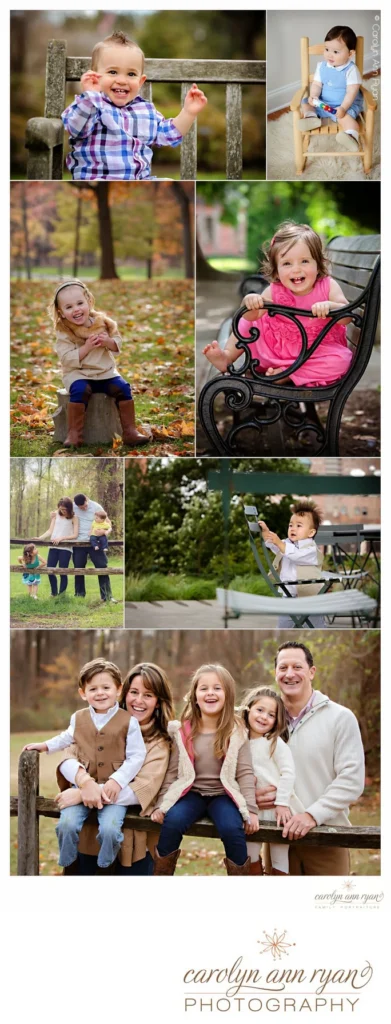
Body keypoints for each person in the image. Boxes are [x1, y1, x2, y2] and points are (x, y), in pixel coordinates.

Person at [22, 658, 146, 871]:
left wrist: (117, 781)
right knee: (66, 824)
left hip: (113, 791)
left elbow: (136, 756)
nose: (100, 693)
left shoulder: (129, 721)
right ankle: (68, 860)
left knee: (109, 830)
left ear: (118, 689)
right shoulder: (78, 718)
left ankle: (106, 862)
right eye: (93, 689)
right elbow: (66, 738)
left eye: (106, 687)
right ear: (83, 693)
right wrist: (45, 745)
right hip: (81, 786)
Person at [256, 641, 365, 875]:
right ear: (275, 673)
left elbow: (351, 780)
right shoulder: (263, 720)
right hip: (276, 836)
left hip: (326, 837)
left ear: (311, 672)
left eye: (297, 667)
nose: (290, 674)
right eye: (283, 668)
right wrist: (252, 795)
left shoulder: (340, 718)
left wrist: (311, 815)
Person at [55, 662, 175, 875]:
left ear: (158, 702)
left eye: (148, 695)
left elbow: (142, 790)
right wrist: (83, 782)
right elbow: (68, 757)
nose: (139, 701)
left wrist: (84, 795)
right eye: (134, 692)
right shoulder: (97, 725)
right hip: (88, 838)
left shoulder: (159, 744)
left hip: (133, 847)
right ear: (123, 692)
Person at [203, 222, 353, 387]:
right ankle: (227, 356)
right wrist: (250, 302)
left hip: (315, 354)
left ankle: (290, 374)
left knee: (342, 361)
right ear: (276, 271)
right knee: (250, 319)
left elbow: (347, 317)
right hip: (275, 353)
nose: (296, 269)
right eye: (287, 263)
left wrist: (331, 307)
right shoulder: (275, 290)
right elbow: (251, 316)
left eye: (304, 261)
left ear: (317, 265)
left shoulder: (328, 286)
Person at [150, 664, 259, 875]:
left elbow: (245, 773)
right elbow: (173, 772)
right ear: (194, 696)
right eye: (204, 688)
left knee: (231, 828)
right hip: (191, 794)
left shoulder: (237, 731)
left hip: (222, 795)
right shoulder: (183, 731)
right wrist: (161, 805)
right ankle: (161, 875)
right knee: (172, 822)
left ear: (228, 694)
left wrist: (251, 810)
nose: (210, 693)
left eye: (217, 688)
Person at [61, 30, 207, 180]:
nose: (122, 80)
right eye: (112, 72)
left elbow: (169, 134)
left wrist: (189, 112)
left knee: (167, 182)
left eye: (131, 74)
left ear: (141, 81)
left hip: (139, 181)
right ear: (95, 76)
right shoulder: (88, 104)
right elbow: (76, 129)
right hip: (97, 180)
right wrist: (90, 96)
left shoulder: (146, 111)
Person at [49, 279, 150, 448]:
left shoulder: (103, 322)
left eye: (80, 303)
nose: (76, 310)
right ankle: (74, 435)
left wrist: (108, 342)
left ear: (89, 301)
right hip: (78, 374)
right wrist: (86, 348)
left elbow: (118, 341)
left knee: (123, 388)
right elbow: (66, 358)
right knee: (80, 390)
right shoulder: (64, 331)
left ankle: (130, 432)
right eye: (69, 307)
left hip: (105, 373)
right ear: (61, 312)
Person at [241, 686, 304, 875]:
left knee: (279, 857)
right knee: (250, 854)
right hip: (253, 811)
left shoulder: (275, 743)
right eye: (259, 710)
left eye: (271, 714)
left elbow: (288, 773)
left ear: (277, 720)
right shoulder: (239, 741)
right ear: (248, 709)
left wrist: (282, 803)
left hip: (278, 812)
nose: (263, 717)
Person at [258, 499, 326, 628]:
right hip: (288, 595)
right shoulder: (286, 544)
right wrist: (266, 532)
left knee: (315, 625)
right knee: (284, 625)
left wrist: (280, 543)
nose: (293, 528)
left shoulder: (310, 549)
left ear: (311, 532)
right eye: (291, 525)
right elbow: (274, 545)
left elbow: (295, 555)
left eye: (299, 526)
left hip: (310, 597)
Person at [298, 26, 364, 153]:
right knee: (306, 102)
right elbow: (317, 84)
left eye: (336, 52)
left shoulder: (351, 70)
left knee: (346, 119)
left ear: (350, 53)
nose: (329, 54)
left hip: (343, 106)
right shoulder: (321, 66)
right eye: (327, 49)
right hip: (323, 103)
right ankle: (311, 117)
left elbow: (352, 92)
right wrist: (314, 96)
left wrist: (343, 108)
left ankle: (351, 135)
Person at [72, 493, 115, 603]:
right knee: (79, 568)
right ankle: (79, 596)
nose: (84, 508)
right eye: (81, 508)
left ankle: (107, 596)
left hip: (96, 542)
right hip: (79, 543)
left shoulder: (97, 507)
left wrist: (105, 532)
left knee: (102, 567)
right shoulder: (72, 506)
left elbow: (108, 522)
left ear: (87, 499)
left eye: (85, 506)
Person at [38, 497, 79, 597]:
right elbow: (50, 531)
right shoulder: (55, 515)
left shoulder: (74, 518)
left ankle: (62, 595)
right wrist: (40, 538)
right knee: (50, 570)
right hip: (53, 547)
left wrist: (62, 538)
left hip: (65, 548)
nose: (63, 511)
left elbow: (75, 535)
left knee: (62, 571)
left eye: (65, 509)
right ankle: (54, 593)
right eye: (61, 509)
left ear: (69, 508)